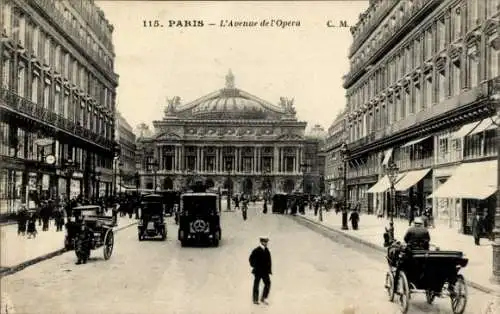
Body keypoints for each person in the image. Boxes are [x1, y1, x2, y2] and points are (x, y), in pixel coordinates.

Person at [249, 236, 272, 305]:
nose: (266, 243)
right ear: (261, 242)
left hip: (265, 271)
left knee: (268, 283)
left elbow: (269, 261)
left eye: (266, 242)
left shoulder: (267, 250)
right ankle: (255, 299)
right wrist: (255, 266)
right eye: (265, 242)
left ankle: (263, 298)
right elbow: (251, 259)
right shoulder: (256, 250)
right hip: (258, 271)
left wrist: (269, 269)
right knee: (256, 284)